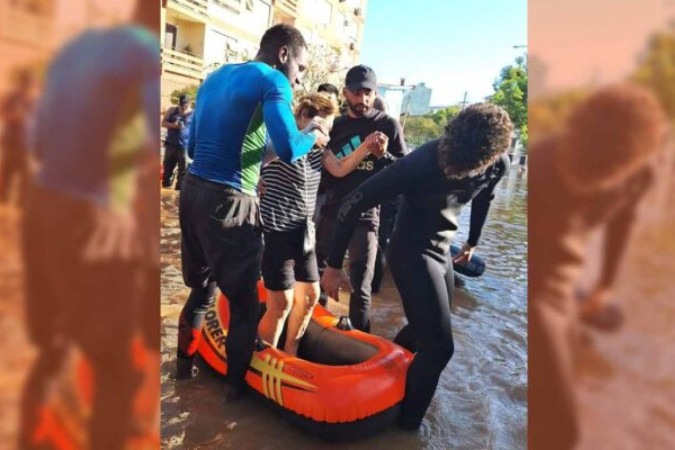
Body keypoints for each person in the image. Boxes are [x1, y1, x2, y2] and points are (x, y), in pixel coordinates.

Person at [20, 2, 160, 448]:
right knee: (115, 368)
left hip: (40, 206)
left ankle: (30, 432)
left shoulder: (71, 50)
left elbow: (37, 141)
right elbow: (155, 143)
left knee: (51, 343)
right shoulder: (142, 50)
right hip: (91, 218)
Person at [321, 103, 512, 430]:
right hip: (410, 252)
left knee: (428, 331)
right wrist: (334, 265)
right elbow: (352, 203)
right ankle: (406, 429)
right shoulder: (424, 160)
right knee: (440, 348)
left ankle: (388, 373)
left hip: (441, 251)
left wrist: (472, 243)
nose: (457, 166)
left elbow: (484, 199)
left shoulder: (496, 164)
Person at [177, 24, 329, 398]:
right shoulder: (273, 81)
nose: (298, 80)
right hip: (231, 203)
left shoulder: (215, 78)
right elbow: (292, 148)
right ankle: (234, 399)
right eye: (301, 68)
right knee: (246, 307)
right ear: (283, 55)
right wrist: (314, 130)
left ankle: (181, 372)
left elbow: (196, 147)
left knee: (202, 291)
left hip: (192, 192)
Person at [529, 84, 666, 449]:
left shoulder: (639, 173)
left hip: (567, 272)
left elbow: (620, 227)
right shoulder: (543, 163)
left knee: (604, 328)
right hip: (544, 277)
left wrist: (605, 285)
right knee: (561, 424)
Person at [258, 93, 386, 356]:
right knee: (282, 302)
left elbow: (339, 168)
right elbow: (258, 160)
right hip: (274, 232)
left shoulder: (320, 149)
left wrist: (365, 147)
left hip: (304, 233)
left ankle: (290, 351)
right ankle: (263, 354)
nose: (323, 132)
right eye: (320, 125)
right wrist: (306, 134)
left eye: (327, 127)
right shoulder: (280, 140)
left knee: (309, 297)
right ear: (301, 117)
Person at [315, 64, 408, 332]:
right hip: (332, 212)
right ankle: (315, 332)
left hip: (366, 217)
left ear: (374, 92)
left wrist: (383, 156)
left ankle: (358, 344)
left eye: (367, 93)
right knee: (322, 277)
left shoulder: (387, 125)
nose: (362, 99)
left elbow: (403, 171)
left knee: (361, 288)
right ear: (345, 93)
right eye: (356, 93)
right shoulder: (336, 125)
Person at [0, 69, 36, 207]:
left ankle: (22, 206)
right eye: (25, 84)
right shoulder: (11, 97)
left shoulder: (37, 100)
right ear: (20, 84)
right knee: (7, 174)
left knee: (26, 177)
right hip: (10, 142)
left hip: (27, 144)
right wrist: (14, 117)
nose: (28, 88)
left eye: (31, 85)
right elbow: (2, 114)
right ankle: (3, 203)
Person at [161, 94, 192, 190]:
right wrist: (174, 126)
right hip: (171, 145)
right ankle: (166, 188)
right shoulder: (172, 110)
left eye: (185, 106)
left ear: (190, 105)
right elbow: (163, 123)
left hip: (185, 146)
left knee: (183, 172)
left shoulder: (194, 114)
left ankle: (178, 194)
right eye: (181, 106)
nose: (183, 108)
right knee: (167, 170)